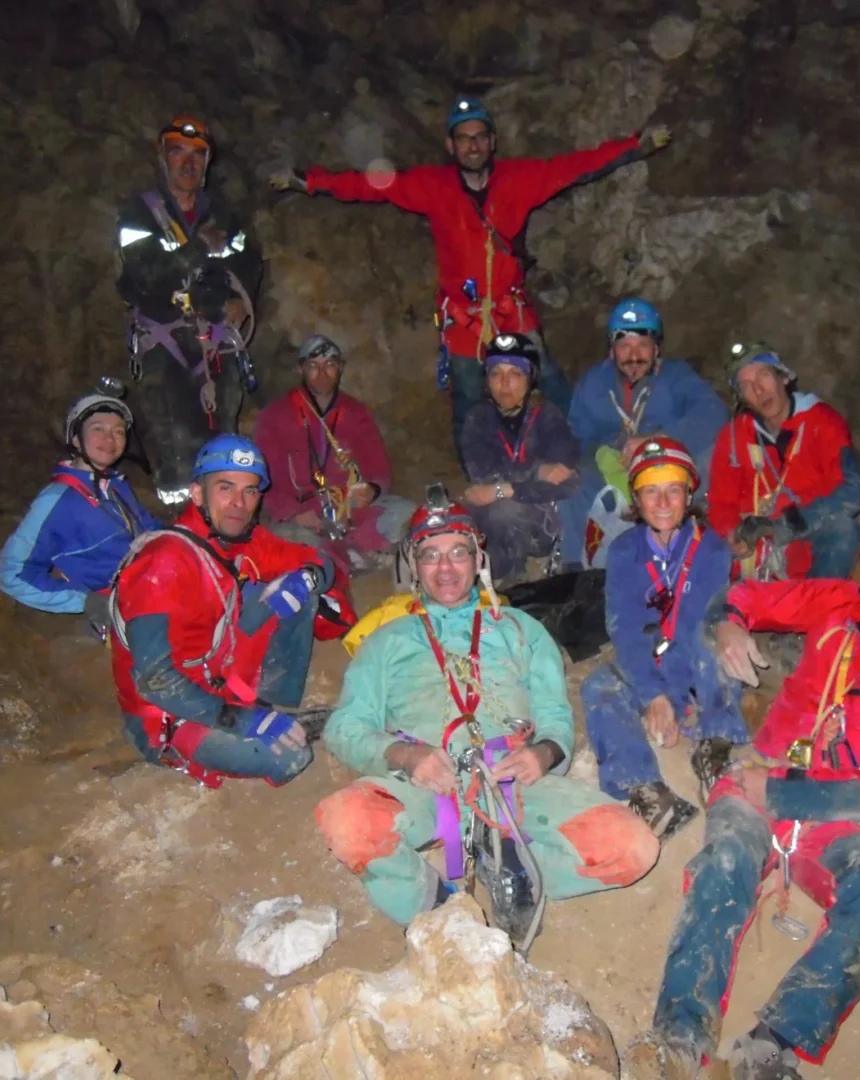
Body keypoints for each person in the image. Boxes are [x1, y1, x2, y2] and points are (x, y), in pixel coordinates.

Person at [626, 518, 860, 1080]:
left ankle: (774, 1042)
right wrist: (731, 626)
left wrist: (789, 797)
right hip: (761, 778)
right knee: (727, 859)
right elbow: (735, 597)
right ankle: (680, 1037)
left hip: (832, 815)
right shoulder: (837, 601)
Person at [316, 490, 659, 946]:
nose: (445, 568)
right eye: (430, 555)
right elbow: (344, 727)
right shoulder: (387, 642)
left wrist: (544, 753)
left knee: (634, 848)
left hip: (514, 786)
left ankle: (513, 867)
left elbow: (556, 718)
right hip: (429, 788)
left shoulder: (522, 630)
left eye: (458, 552)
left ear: (479, 559)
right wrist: (405, 754)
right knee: (347, 821)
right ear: (413, 567)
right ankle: (439, 908)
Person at [274, 97, 672, 455]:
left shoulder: (520, 180)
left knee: (549, 379)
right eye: (464, 138)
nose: (473, 145)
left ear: (492, 142)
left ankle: (589, 452)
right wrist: (309, 181)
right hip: (463, 317)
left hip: (510, 308)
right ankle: (478, 468)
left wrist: (636, 145)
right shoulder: (433, 187)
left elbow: (578, 167)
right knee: (467, 395)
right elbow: (369, 185)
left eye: (480, 137)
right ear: (451, 146)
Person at [109, 434, 353, 788]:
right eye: (226, 488)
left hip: (215, 674)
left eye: (250, 491)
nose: (239, 503)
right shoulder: (162, 564)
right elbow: (155, 681)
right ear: (197, 494)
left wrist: (308, 578)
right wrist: (238, 721)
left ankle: (276, 708)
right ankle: (254, 724)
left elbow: (320, 561)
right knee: (289, 756)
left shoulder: (238, 540)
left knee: (295, 592)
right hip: (170, 714)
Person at [580, 438, 746, 841]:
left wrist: (671, 698)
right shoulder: (624, 552)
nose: (663, 501)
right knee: (598, 684)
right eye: (650, 490)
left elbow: (693, 626)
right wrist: (654, 696)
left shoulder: (710, 550)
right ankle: (647, 791)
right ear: (635, 497)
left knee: (715, 643)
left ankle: (715, 746)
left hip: (695, 664)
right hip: (653, 664)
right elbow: (626, 627)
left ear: (690, 494)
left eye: (674, 489)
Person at [116, 115, 262, 505]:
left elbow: (248, 262)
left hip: (216, 340)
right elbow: (147, 276)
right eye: (178, 152)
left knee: (222, 439)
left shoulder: (223, 215)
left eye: (198, 155)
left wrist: (241, 301)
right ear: (161, 156)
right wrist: (197, 248)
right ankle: (182, 531)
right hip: (164, 342)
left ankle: (227, 528)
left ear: (208, 162)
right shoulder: (139, 214)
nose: (188, 163)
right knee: (174, 444)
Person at [561, 299, 729, 568]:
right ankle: (573, 568)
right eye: (624, 345)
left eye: (642, 345)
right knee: (572, 479)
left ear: (656, 348)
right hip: (614, 468)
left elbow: (713, 413)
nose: (633, 355)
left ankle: (685, 550)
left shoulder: (675, 376)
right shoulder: (594, 382)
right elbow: (575, 434)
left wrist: (658, 438)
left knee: (710, 456)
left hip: (665, 467)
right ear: (612, 350)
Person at [0, 385, 157, 633]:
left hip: (149, 587)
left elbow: (149, 528)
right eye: (98, 429)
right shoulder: (57, 499)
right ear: (75, 439)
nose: (110, 439)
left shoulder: (115, 486)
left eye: (118, 431)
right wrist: (85, 601)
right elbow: (10, 574)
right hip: (118, 612)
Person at [254, 334, 415, 575]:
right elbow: (263, 481)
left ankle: (347, 555)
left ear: (340, 368)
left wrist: (371, 490)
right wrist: (293, 513)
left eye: (330, 365)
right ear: (300, 370)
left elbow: (379, 469)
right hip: (303, 516)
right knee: (285, 540)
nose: (322, 373)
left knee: (409, 513)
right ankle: (349, 557)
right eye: (313, 366)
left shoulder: (354, 412)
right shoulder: (274, 417)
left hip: (349, 511)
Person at [708, 343, 860, 581]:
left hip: (803, 540)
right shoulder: (733, 438)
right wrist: (730, 534)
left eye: (763, 375)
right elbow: (721, 503)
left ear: (782, 378)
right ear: (742, 399)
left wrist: (788, 523)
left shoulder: (822, 422)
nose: (759, 389)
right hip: (753, 552)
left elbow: (850, 494)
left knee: (844, 531)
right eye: (746, 386)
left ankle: (814, 609)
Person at [458, 333, 580, 581]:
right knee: (462, 512)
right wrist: (536, 471)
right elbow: (482, 474)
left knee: (502, 508)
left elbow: (563, 481)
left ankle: (517, 579)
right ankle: (496, 571)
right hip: (503, 510)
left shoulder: (547, 415)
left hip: (543, 521)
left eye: (515, 374)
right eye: (496, 374)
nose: (504, 384)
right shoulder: (477, 419)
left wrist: (502, 489)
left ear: (530, 378)